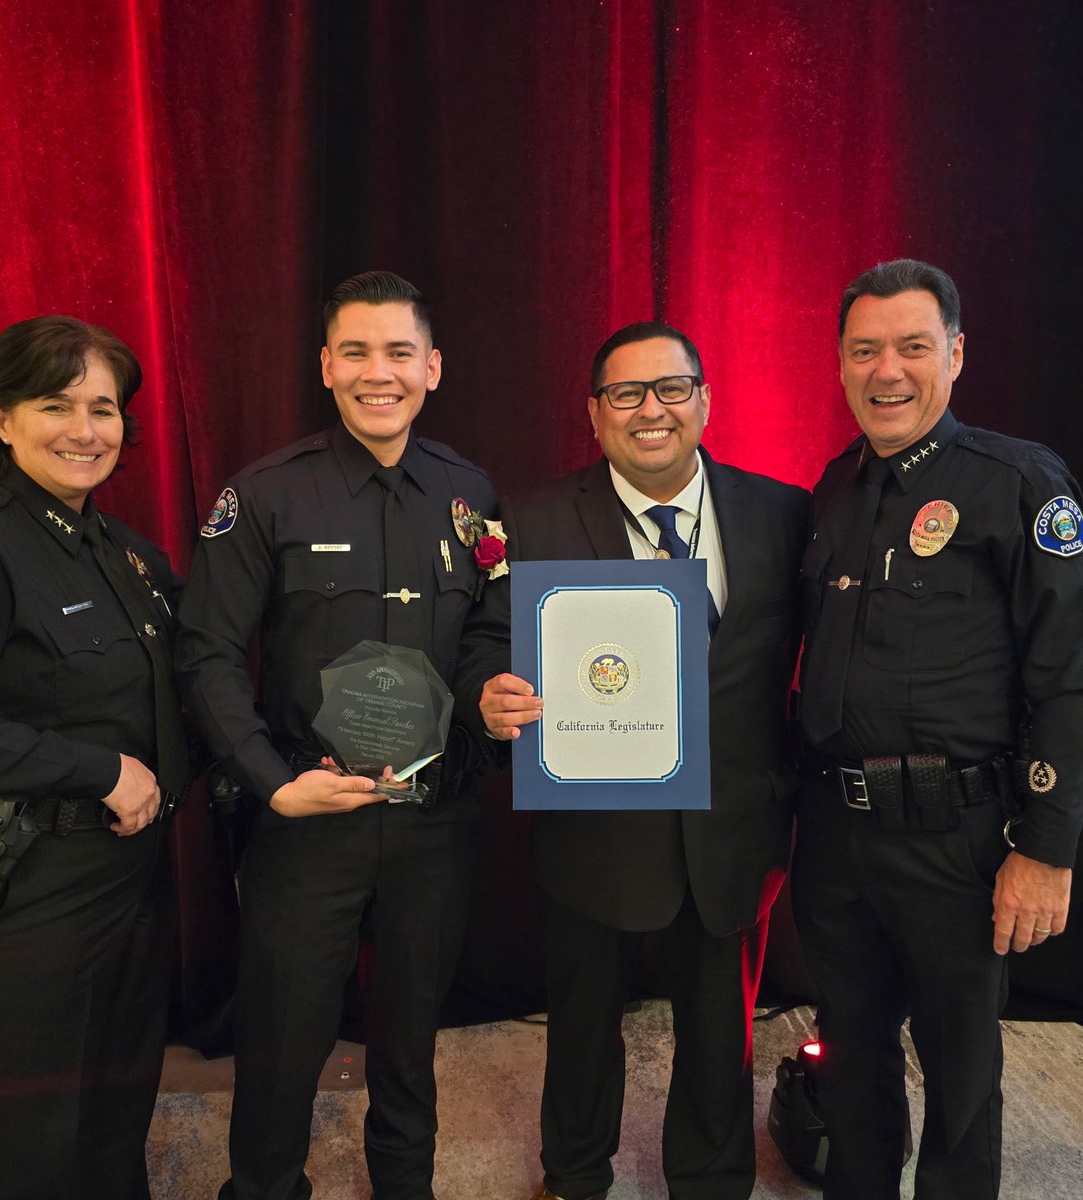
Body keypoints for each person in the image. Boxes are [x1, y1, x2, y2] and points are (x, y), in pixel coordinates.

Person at [458, 322, 808, 1200]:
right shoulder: (531, 519)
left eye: (672, 388)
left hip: (730, 823)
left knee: (719, 1028)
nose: (651, 410)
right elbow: (483, 642)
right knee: (581, 1024)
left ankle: (713, 1178)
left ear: (705, 400)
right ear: (594, 413)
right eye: (626, 394)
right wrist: (487, 693)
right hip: (592, 820)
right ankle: (575, 1175)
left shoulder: (782, 512)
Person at [174, 271, 498, 1200]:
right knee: (281, 1044)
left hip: (433, 822)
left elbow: (486, 633)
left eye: (398, 352)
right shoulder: (266, 495)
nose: (377, 372)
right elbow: (204, 654)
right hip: (307, 820)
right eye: (355, 351)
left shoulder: (470, 493)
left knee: (411, 1039)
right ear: (326, 365)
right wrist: (271, 783)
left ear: (431, 367)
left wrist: (493, 694)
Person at [793, 258, 1083, 1200]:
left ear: (955, 355)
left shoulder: (1020, 483)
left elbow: (1072, 680)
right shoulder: (833, 490)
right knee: (850, 1053)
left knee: (961, 1070)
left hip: (956, 836)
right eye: (865, 350)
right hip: (838, 833)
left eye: (913, 347)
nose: (888, 371)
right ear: (839, 363)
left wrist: (1046, 848)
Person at [0, 316, 189, 1199]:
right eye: (57, 405)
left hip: (124, 876)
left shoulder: (126, 555)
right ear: (1, 418)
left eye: (104, 407)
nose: (86, 430)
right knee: (24, 1136)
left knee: (112, 1112)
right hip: (15, 887)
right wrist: (98, 771)